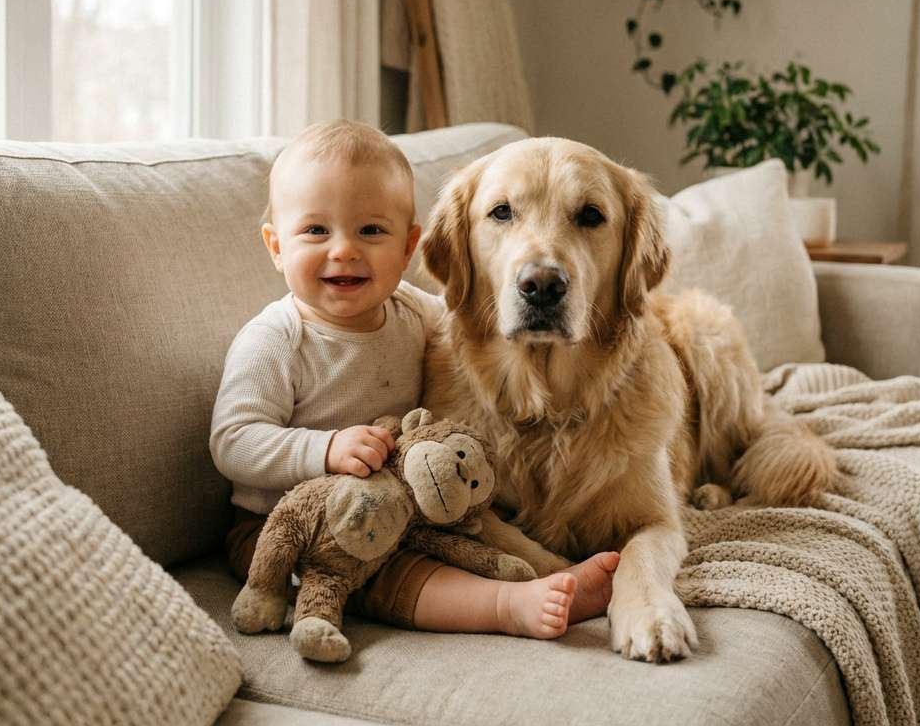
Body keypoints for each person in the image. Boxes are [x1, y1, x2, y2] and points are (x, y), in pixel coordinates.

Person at [211, 120, 618, 639]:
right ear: (275, 246)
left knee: (454, 537)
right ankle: (507, 605)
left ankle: (535, 578)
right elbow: (232, 442)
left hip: (393, 509)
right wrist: (324, 449)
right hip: (286, 526)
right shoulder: (274, 340)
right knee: (397, 573)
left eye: (370, 231)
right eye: (315, 231)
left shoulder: (414, 311)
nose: (344, 250)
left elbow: (469, 321)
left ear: (407, 249)